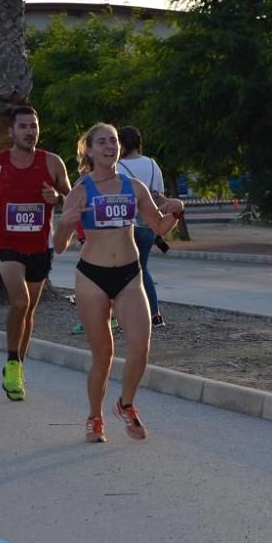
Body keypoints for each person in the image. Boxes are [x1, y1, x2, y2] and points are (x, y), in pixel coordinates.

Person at [55, 123, 182, 443]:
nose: (109, 146)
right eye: (102, 142)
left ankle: (125, 404)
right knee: (103, 354)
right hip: (92, 277)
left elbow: (158, 226)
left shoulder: (134, 187)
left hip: (129, 273)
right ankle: (94, 417)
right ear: (89, 150)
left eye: (113, 141)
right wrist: (65, 223)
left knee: (141, 346)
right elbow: (58, 246)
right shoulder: (81, 191)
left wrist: (176, 212)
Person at [0, 105, 71, 402]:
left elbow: (70, 195)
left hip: (39, 245)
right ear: (11, 132)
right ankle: (12, 361)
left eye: (33, 126)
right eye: (23, 126)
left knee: (29, 310)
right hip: (6, 242)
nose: (29, 131)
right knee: (20, 301)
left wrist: (57, 197)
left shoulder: (52, 162)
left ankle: (17, 368)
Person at [117, 126, 182, 329]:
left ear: (123, 144)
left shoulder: (116, 167)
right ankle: (154, 314)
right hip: (149, 226)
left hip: (126, 225)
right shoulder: (153, 165)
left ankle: (129, 317)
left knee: (122, 273)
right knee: (142, 269)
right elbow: (159, 195)